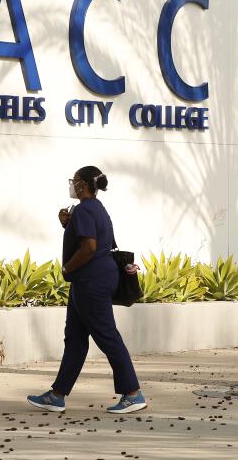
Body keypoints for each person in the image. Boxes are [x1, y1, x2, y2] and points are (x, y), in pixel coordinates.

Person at [27, 166, 146, 414]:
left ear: (83, 185)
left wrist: (67, 268)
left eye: (75, 181)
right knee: (75, 339)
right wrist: (67, 225)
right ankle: (57, 395)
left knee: (107, 336)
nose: (72, 185)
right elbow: (93, 239)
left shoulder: (83, 210)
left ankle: (133, 393)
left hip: (90, 282)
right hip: (95, 280)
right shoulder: (97, 209)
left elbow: (90, 247)